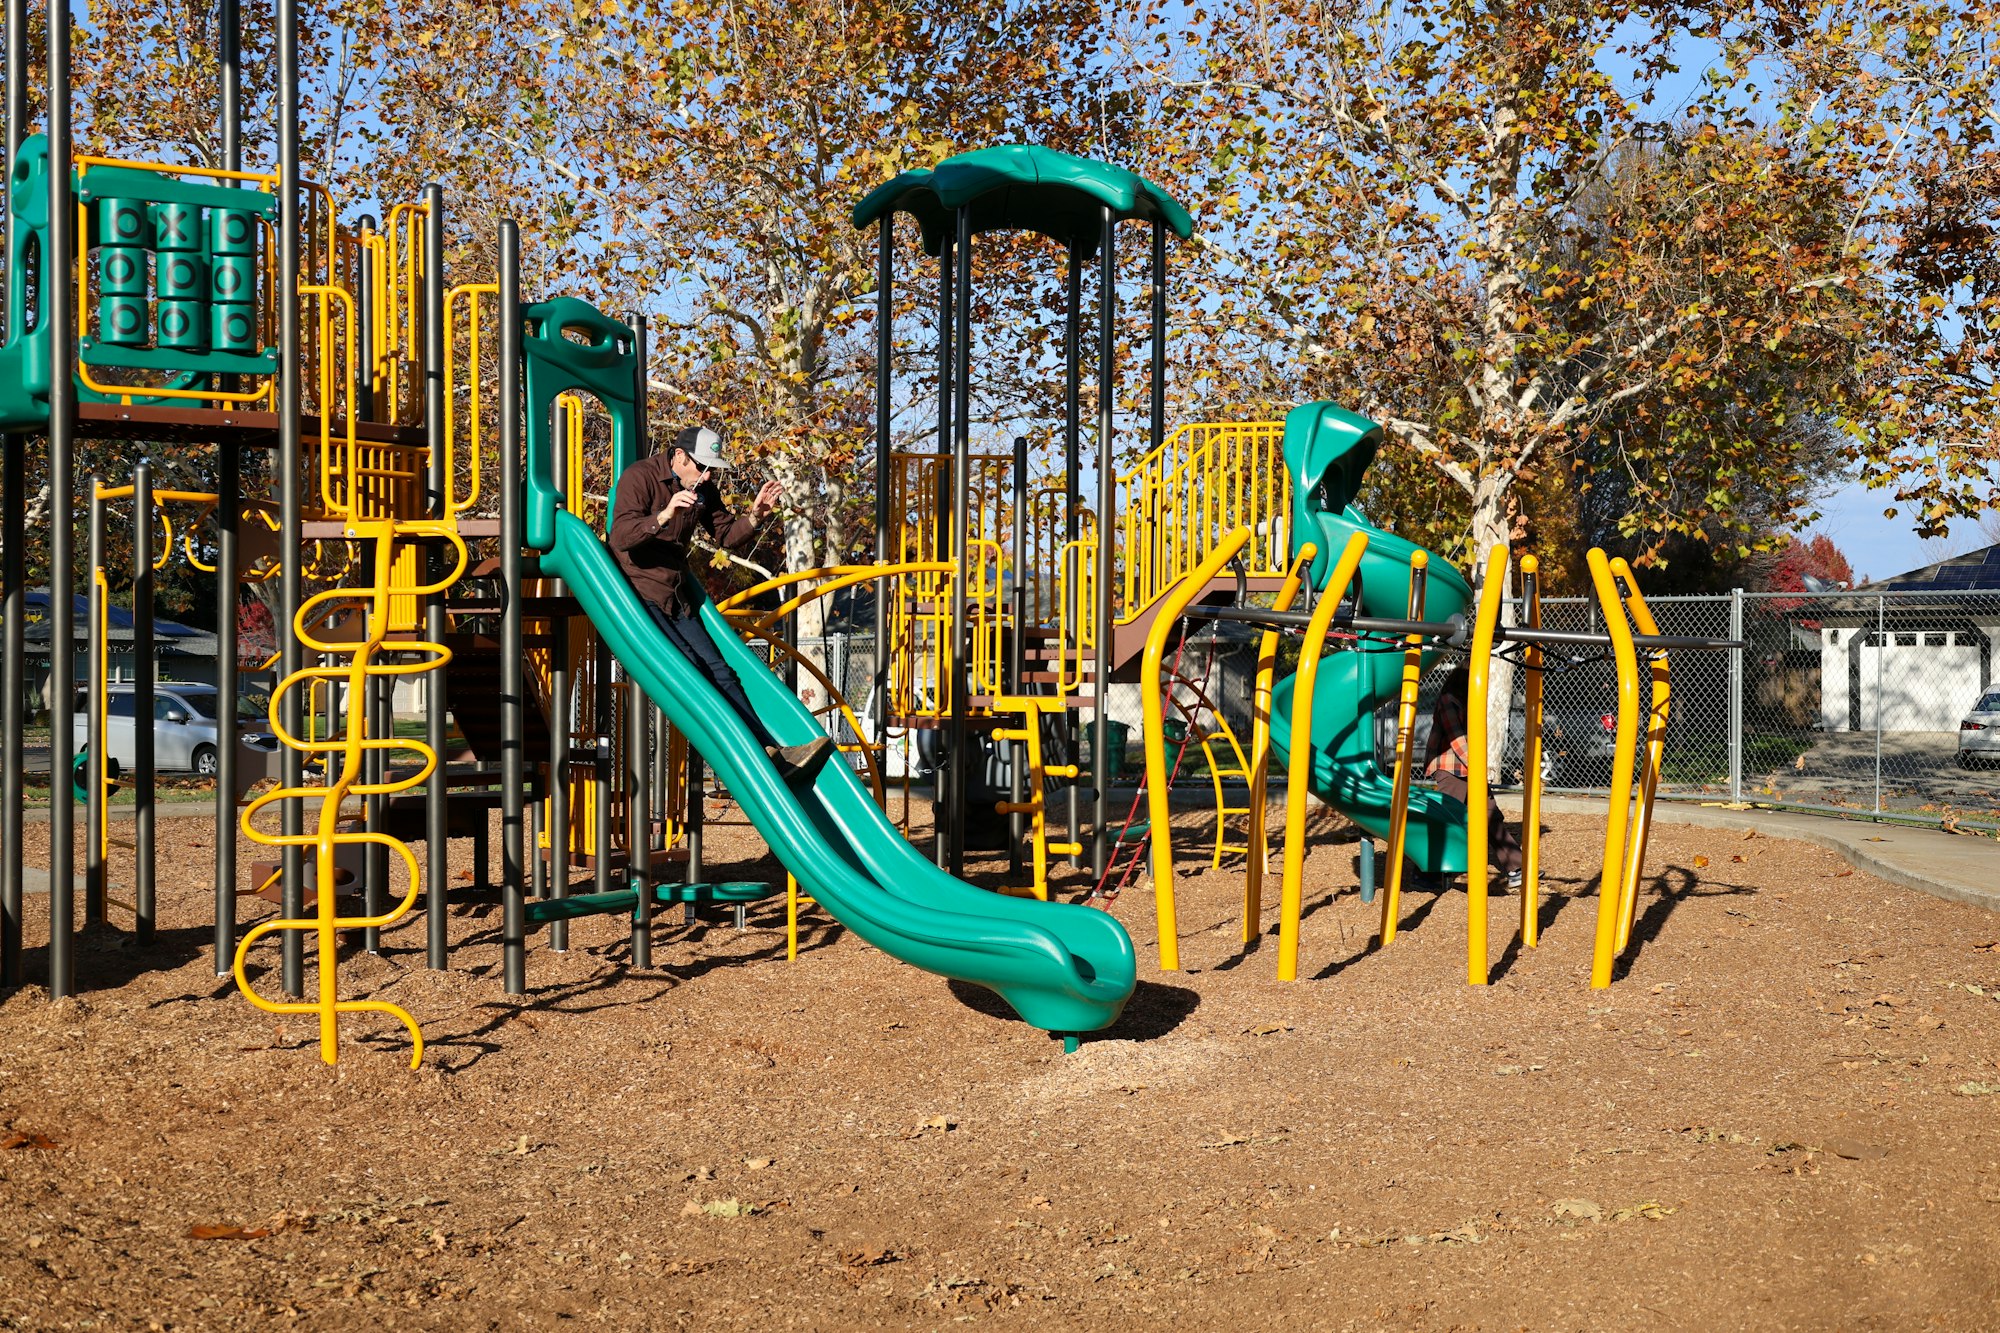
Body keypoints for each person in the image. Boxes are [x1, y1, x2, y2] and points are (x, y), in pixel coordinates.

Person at [607, 425, 832, 786]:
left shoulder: (703, 489)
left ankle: (767, 751)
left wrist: (756, 515)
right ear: (680, 457)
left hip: (676, 594)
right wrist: (664, 515)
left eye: (713, 469)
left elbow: (726, 534)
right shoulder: (640, 477)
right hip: (639, 594)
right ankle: (741, 757)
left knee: (723, 672)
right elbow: (619, 536)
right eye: (702, 466)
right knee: (693, 670)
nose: (708, 475)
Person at [1422, 663, 1524, 889]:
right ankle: (1425, 875)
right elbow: (1456, 739)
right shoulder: (1449, 700)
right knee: (1448, 819)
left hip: (1468, 768)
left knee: (1490, 815)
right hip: (1450, 769)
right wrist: (1477, 765)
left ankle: (1516, 868)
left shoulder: (1466, 702)